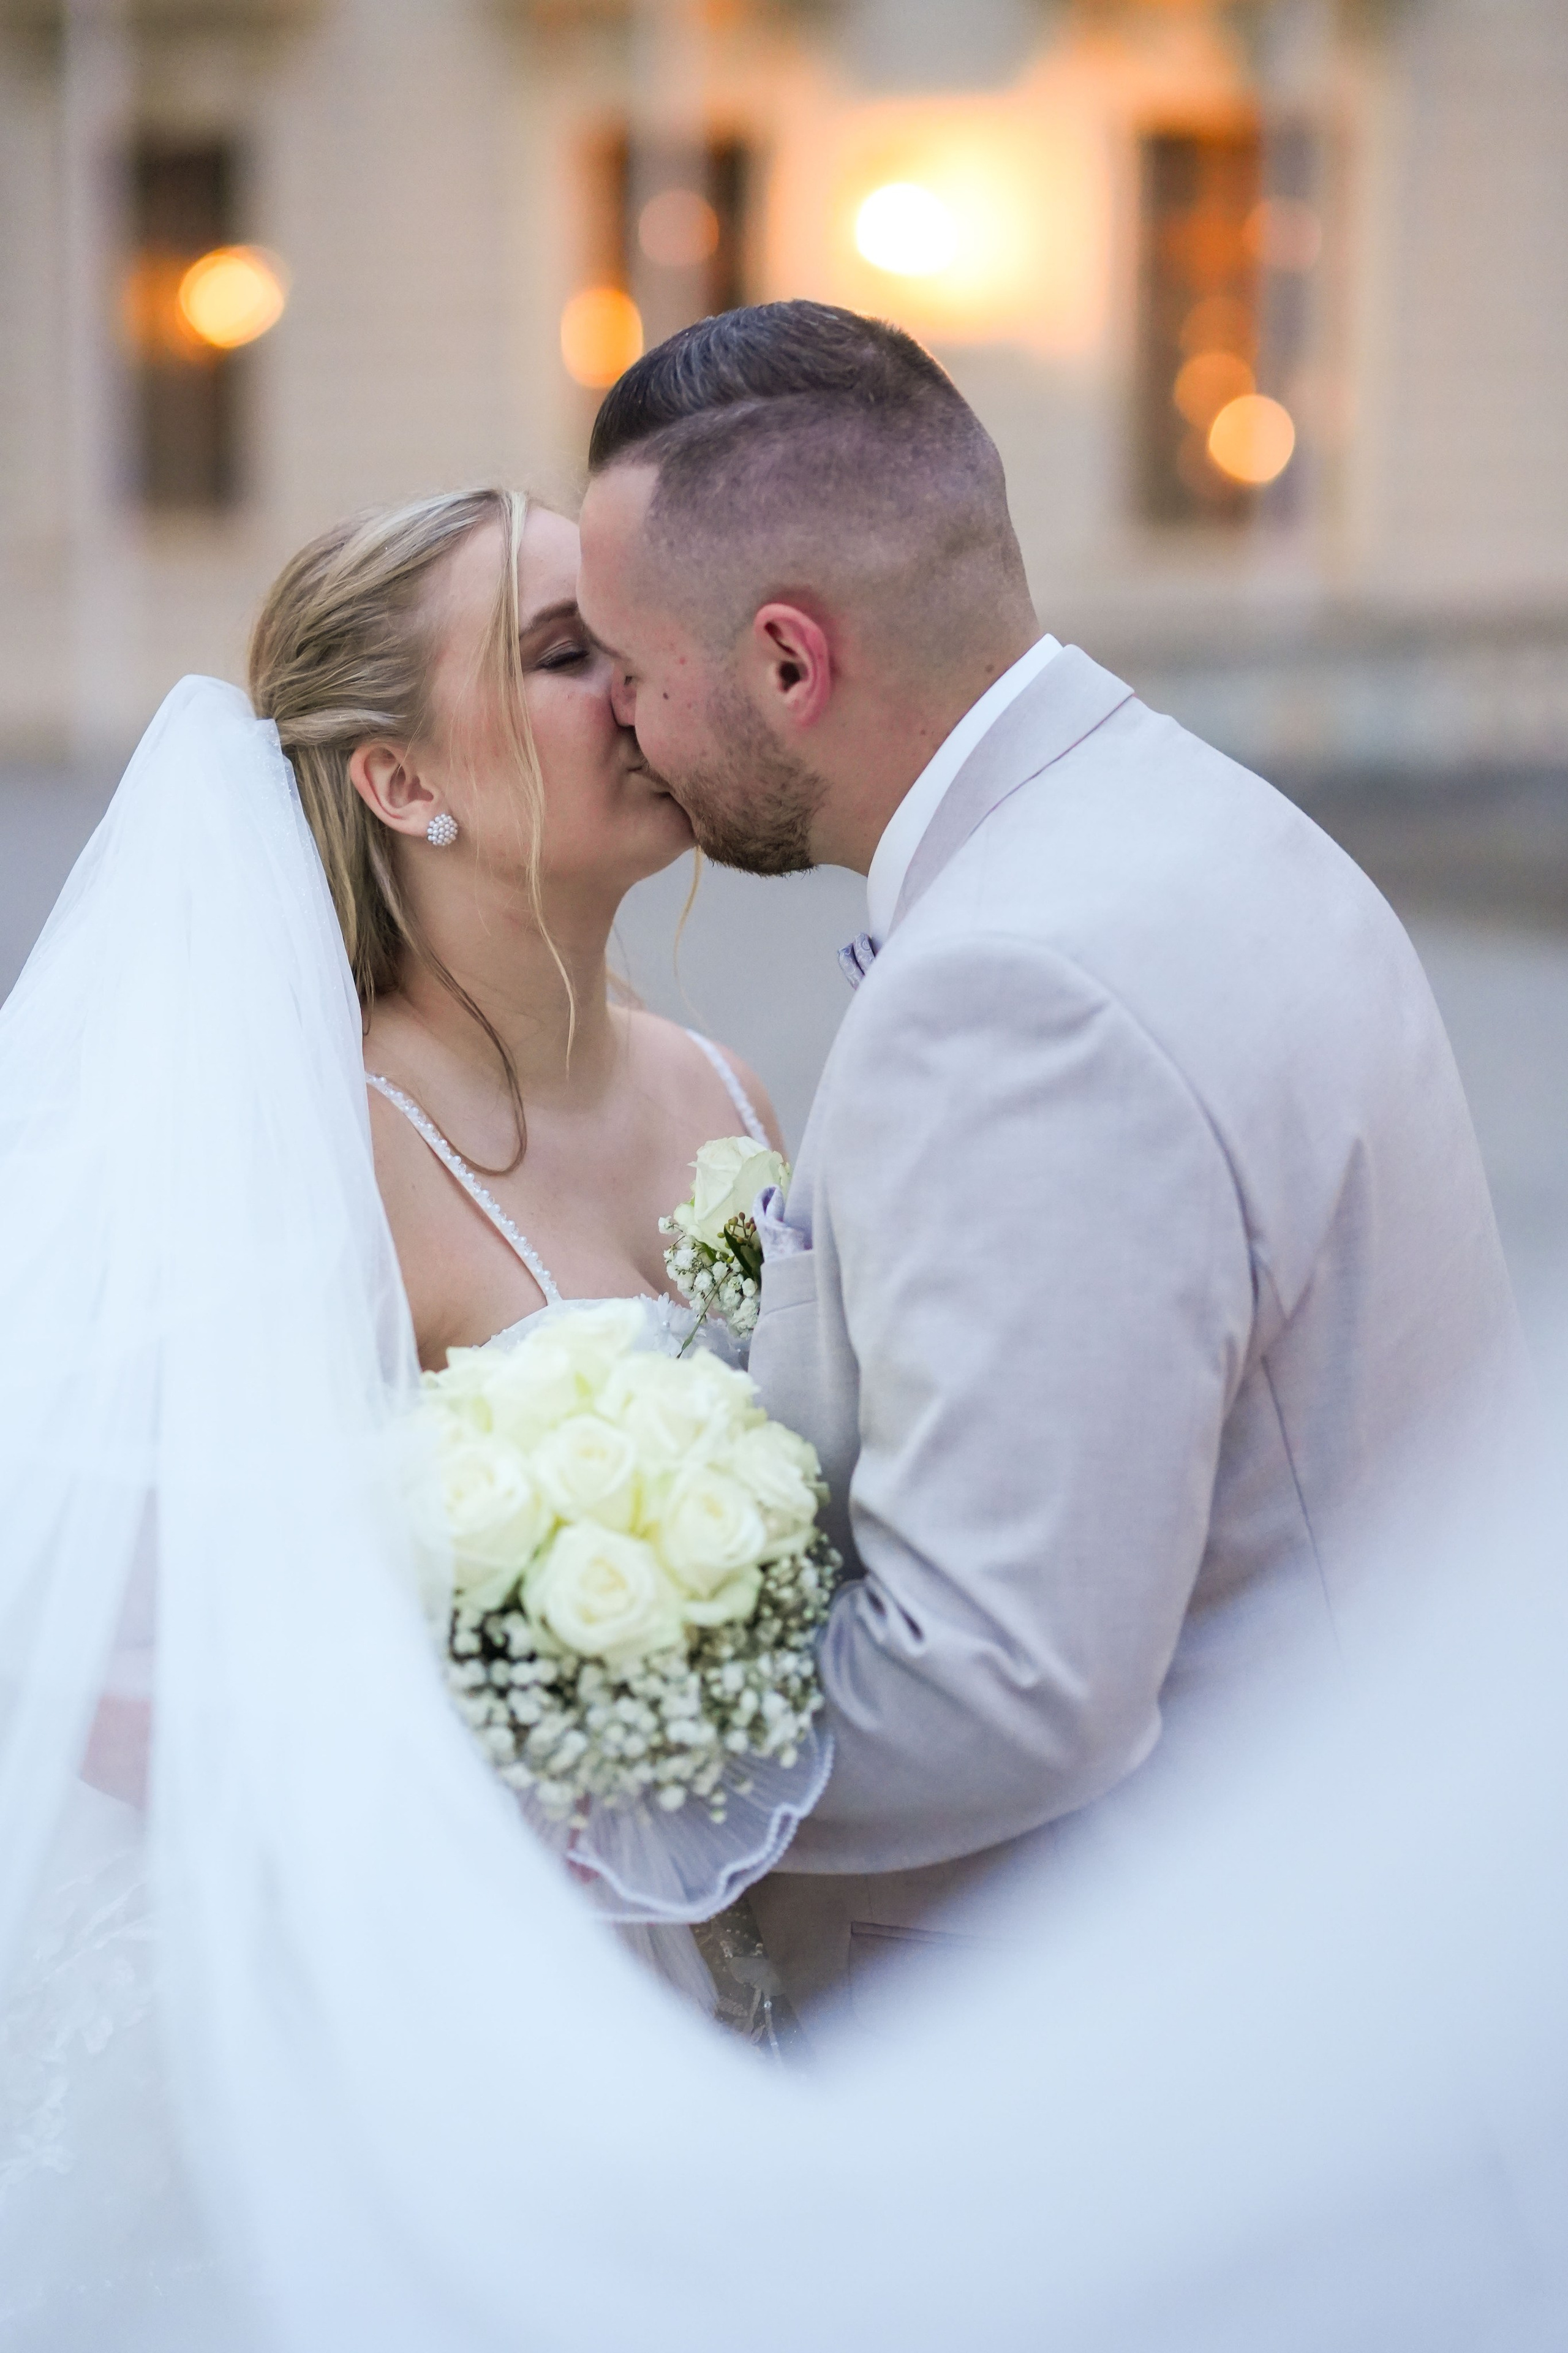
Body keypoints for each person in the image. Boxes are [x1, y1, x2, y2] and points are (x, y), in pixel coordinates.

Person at [575, 299, 1529, 2023]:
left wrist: (578, 1772)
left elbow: (1009, 1681)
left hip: (1171, 2016)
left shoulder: (1012, 997)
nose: (623, 725)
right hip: (1383, 1876)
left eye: (634, 671)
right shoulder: (1197, 812)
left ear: (791, 663)